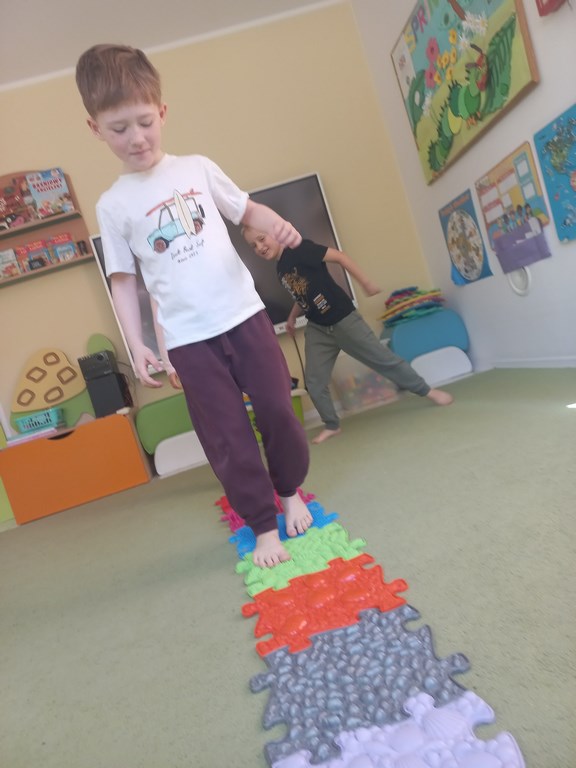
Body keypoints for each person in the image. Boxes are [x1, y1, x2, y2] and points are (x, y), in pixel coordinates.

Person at [75, 44, 312, 568]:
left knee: (277, 408)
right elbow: (122, 279)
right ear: (95, 129)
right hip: (188, 340)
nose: (136, 138)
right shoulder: (113, 205)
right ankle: (262, 523)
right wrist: (136, 343)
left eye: (144, 122)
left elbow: (246, 210)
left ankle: (289, 491)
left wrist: (278, 225)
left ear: (162, 112)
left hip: (244, 316)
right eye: (119, 129)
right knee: (227, 436)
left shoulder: (198, 169)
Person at [241, 227, 454, 444]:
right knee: (314, 381)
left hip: (344, 320)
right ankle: (332, 425)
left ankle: (428, 391)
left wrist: (365, 283)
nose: (259, 247)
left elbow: (340, 257)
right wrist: (292, 318)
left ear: (275, 233)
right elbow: (302, 293)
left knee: (383, 359)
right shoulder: (280, 268)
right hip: (318, 328)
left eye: (261, 239)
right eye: (253, 245)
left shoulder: (300, 249)